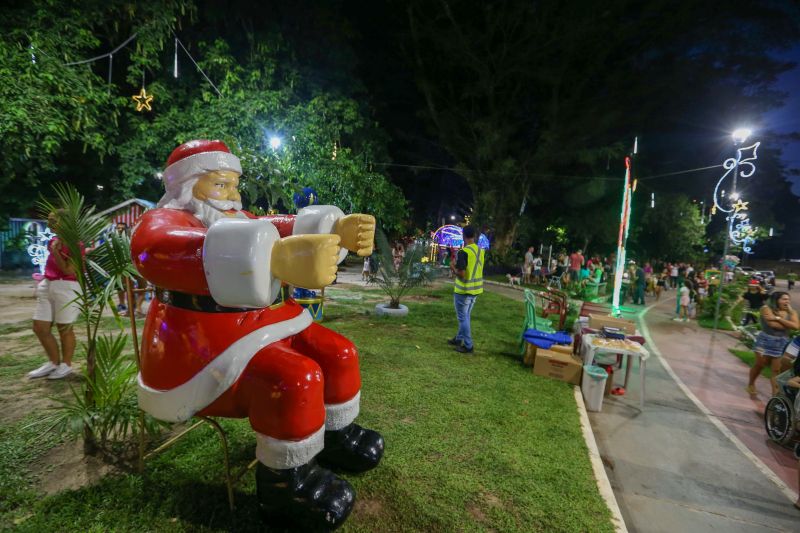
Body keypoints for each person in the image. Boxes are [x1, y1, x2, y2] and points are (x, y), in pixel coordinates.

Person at [130, 139, 383, 529]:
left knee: (338, 352)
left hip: (268, 325)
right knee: (293, 379)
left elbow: (278, 226)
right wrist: (273, 257)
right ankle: (286, 486)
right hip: (206, 351)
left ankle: (337, 437)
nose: (232, 195)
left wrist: (335, 230)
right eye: (220, 185)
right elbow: (160, 250)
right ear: (187, 185)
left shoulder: (238, 218)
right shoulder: (163, 223)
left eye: (234, 184)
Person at [27, 210, 83, 380]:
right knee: (39, 327)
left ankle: (66, 365)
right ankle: (53, 362)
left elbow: (68, 269)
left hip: (67, 286)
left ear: (64, 222)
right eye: (49, 220)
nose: (49, 223)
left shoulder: (76, 244)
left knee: (64, 328)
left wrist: (56, 252)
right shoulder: (53, 240)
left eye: (53, 220)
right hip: (48, 283)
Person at [747, 292, 799, 397]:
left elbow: (796, 326)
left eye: (788, 299)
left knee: (776, 370)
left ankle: (774, 395)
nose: (787, 302)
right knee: (760, 364)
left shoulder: (792, 312)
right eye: (784, 299)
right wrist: (788, 324)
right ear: (776, 300)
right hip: (764, 341)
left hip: (781, 343)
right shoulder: (766, 308)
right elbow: (773, 325)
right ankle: (751, 383)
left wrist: (778, 318)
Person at [448, 226, 484, 354]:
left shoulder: (464, 252)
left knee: (463, 318)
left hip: (463, 291)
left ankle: (468, 346)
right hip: (475, 291)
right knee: (466, 316)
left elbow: (461, 274)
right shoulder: (480, 251)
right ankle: (458, 339)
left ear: (464, 236)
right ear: (474, 236)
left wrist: (452, 267)